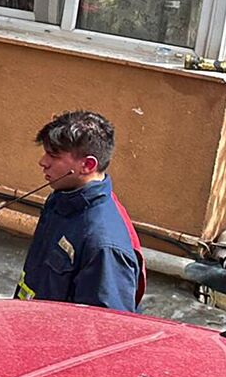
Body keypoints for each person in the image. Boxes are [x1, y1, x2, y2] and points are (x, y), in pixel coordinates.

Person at [17, 110, 145, 312]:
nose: (43, 162)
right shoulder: (62, 198)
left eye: (53, 156)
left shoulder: (103, 245)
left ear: (87, 165)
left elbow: (104, 324)